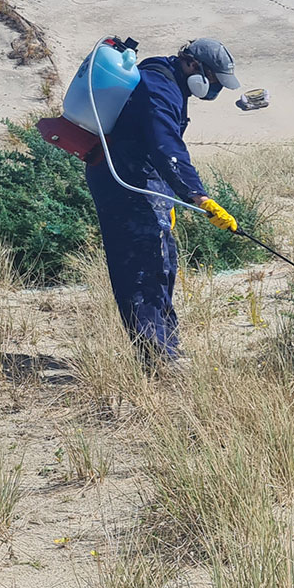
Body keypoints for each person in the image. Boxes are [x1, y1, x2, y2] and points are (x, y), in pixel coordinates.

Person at [87, 37, 242, 365]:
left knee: (163, 261)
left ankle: (166, 348)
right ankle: (157, 358)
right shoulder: (159, 87)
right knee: (144, 266)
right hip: (124, 180)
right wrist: (198, 196)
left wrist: (168, 200)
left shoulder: (170, 84)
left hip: (139, 178)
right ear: (192, 65)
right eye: (213, 79)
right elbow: (166, 148)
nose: (213, 88)